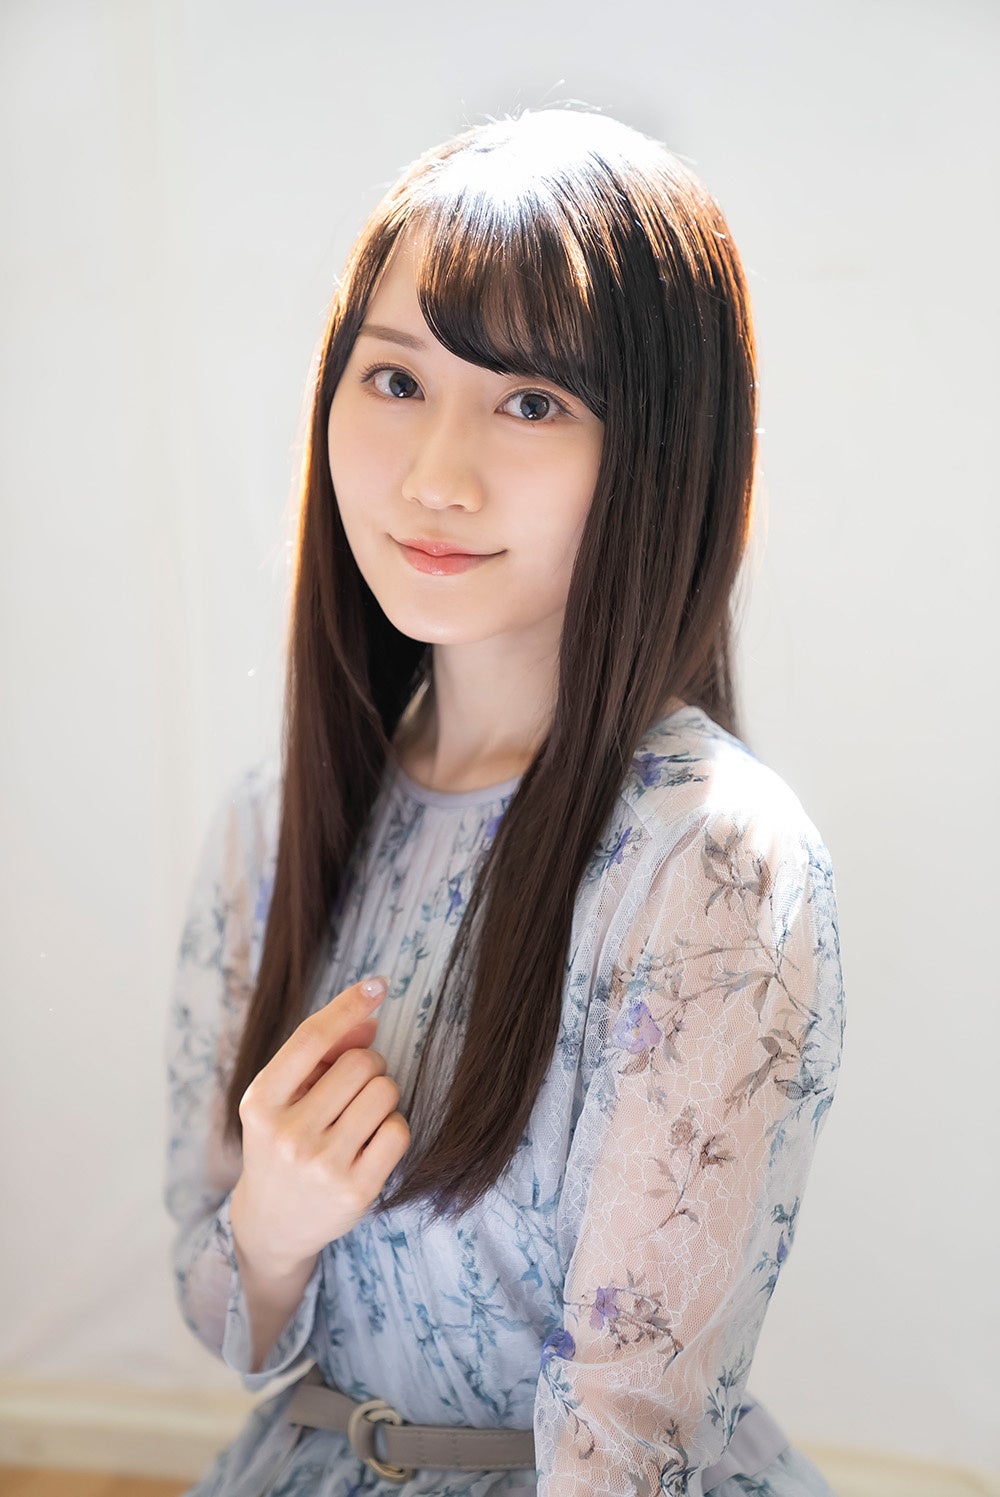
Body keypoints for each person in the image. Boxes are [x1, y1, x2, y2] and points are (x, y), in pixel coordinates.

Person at [164, 106, 846, 1497]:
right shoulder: (272, 824)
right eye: (395, 380)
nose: (435, 476)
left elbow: (624, 1444)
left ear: (660, 451)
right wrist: (273, 1224)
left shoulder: (709, 862)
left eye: (533, 402)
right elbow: (216, 1302)